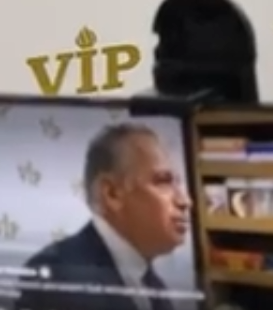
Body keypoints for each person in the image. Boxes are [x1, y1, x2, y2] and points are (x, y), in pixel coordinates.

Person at [17, 123, 192, 310]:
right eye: (163, 181)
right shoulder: (58, 276)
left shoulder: (154, 287)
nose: (185, 201)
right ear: (112, 194)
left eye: (178, 183)